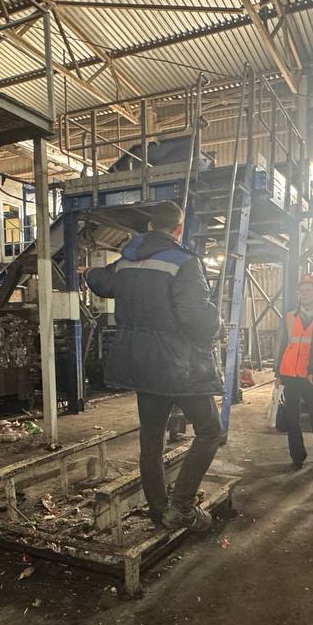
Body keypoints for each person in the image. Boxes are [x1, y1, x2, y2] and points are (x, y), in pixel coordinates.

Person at [86, 207, 222, 530]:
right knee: (210, 431)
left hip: (143, 366)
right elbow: (194, 317)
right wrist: (215, 321)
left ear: (149, 226)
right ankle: (183, 507)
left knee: (151, 439)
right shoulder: (184, 262)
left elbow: (102, 282)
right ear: (178, 229)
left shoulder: (127, 260)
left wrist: (87, 272)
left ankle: (159, 510)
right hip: (179, 367)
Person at [275, 273, 313, 469]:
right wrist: (278, 373)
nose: (304, 294)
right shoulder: (290, 317)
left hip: (311, 375)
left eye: (309, 290)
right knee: (291, 418)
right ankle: (297, 456)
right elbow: (283, 344)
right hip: (290, 373)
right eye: (302, 290)